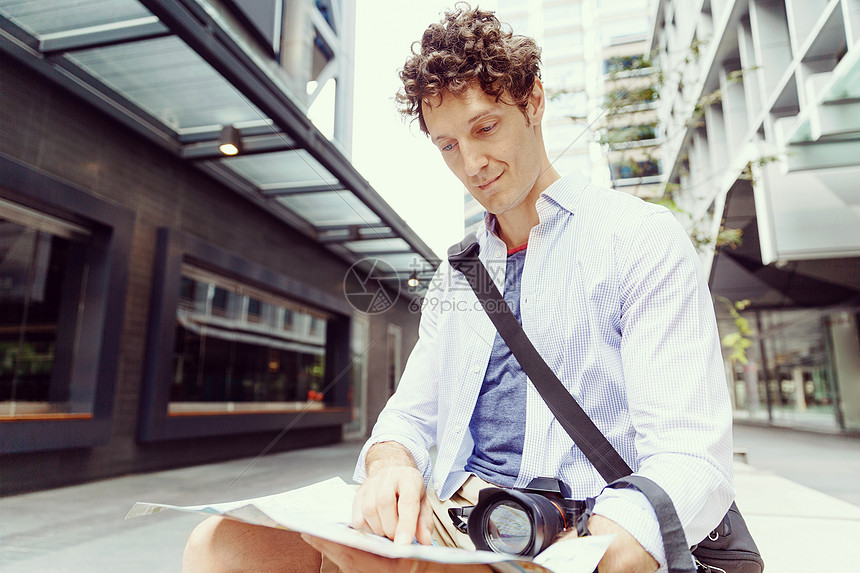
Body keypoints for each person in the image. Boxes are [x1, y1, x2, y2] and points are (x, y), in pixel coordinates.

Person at [182, 5, 734, 573]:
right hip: (457, 525)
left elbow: (690, 456)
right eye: (447, 145)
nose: (472, 164)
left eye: (485, 127)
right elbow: (409, 418)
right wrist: (391, 465)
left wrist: (615, 541)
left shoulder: (639, 238)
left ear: (534, 103)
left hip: (578, 536)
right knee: (219, 543)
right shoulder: (460, 272)